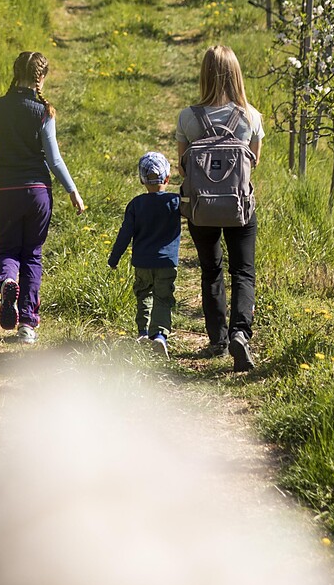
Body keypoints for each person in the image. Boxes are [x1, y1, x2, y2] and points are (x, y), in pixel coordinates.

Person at [0, 51, 86, 343]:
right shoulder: (44, 111)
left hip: (7, 191)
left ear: (14, 72)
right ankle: (27, 324)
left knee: (9, 251)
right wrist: (73, 191)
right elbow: (55, 159)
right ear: (42, 78)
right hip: (39, 193)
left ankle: (8, 281)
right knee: (33, 255)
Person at [177, 45, 263, 370]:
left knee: (211, 269)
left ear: (204, 74)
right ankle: (241, 333)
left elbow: (184, 167)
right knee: (243, 271)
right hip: (240, 207)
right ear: (237, 74)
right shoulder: (250, 116)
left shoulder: (188, 117)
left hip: (202, 208)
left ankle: (217, 338)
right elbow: (253, 163)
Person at [109, 152, 183, 354]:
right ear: (167, 178)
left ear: (142, 180)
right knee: (163, 297)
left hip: (142, 262)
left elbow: (125, 234)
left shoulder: (136, 204)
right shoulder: (175, 202)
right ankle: (159, 334)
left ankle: (142, 331)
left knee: (143, 294)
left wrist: (114, 258)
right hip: (166, 262)